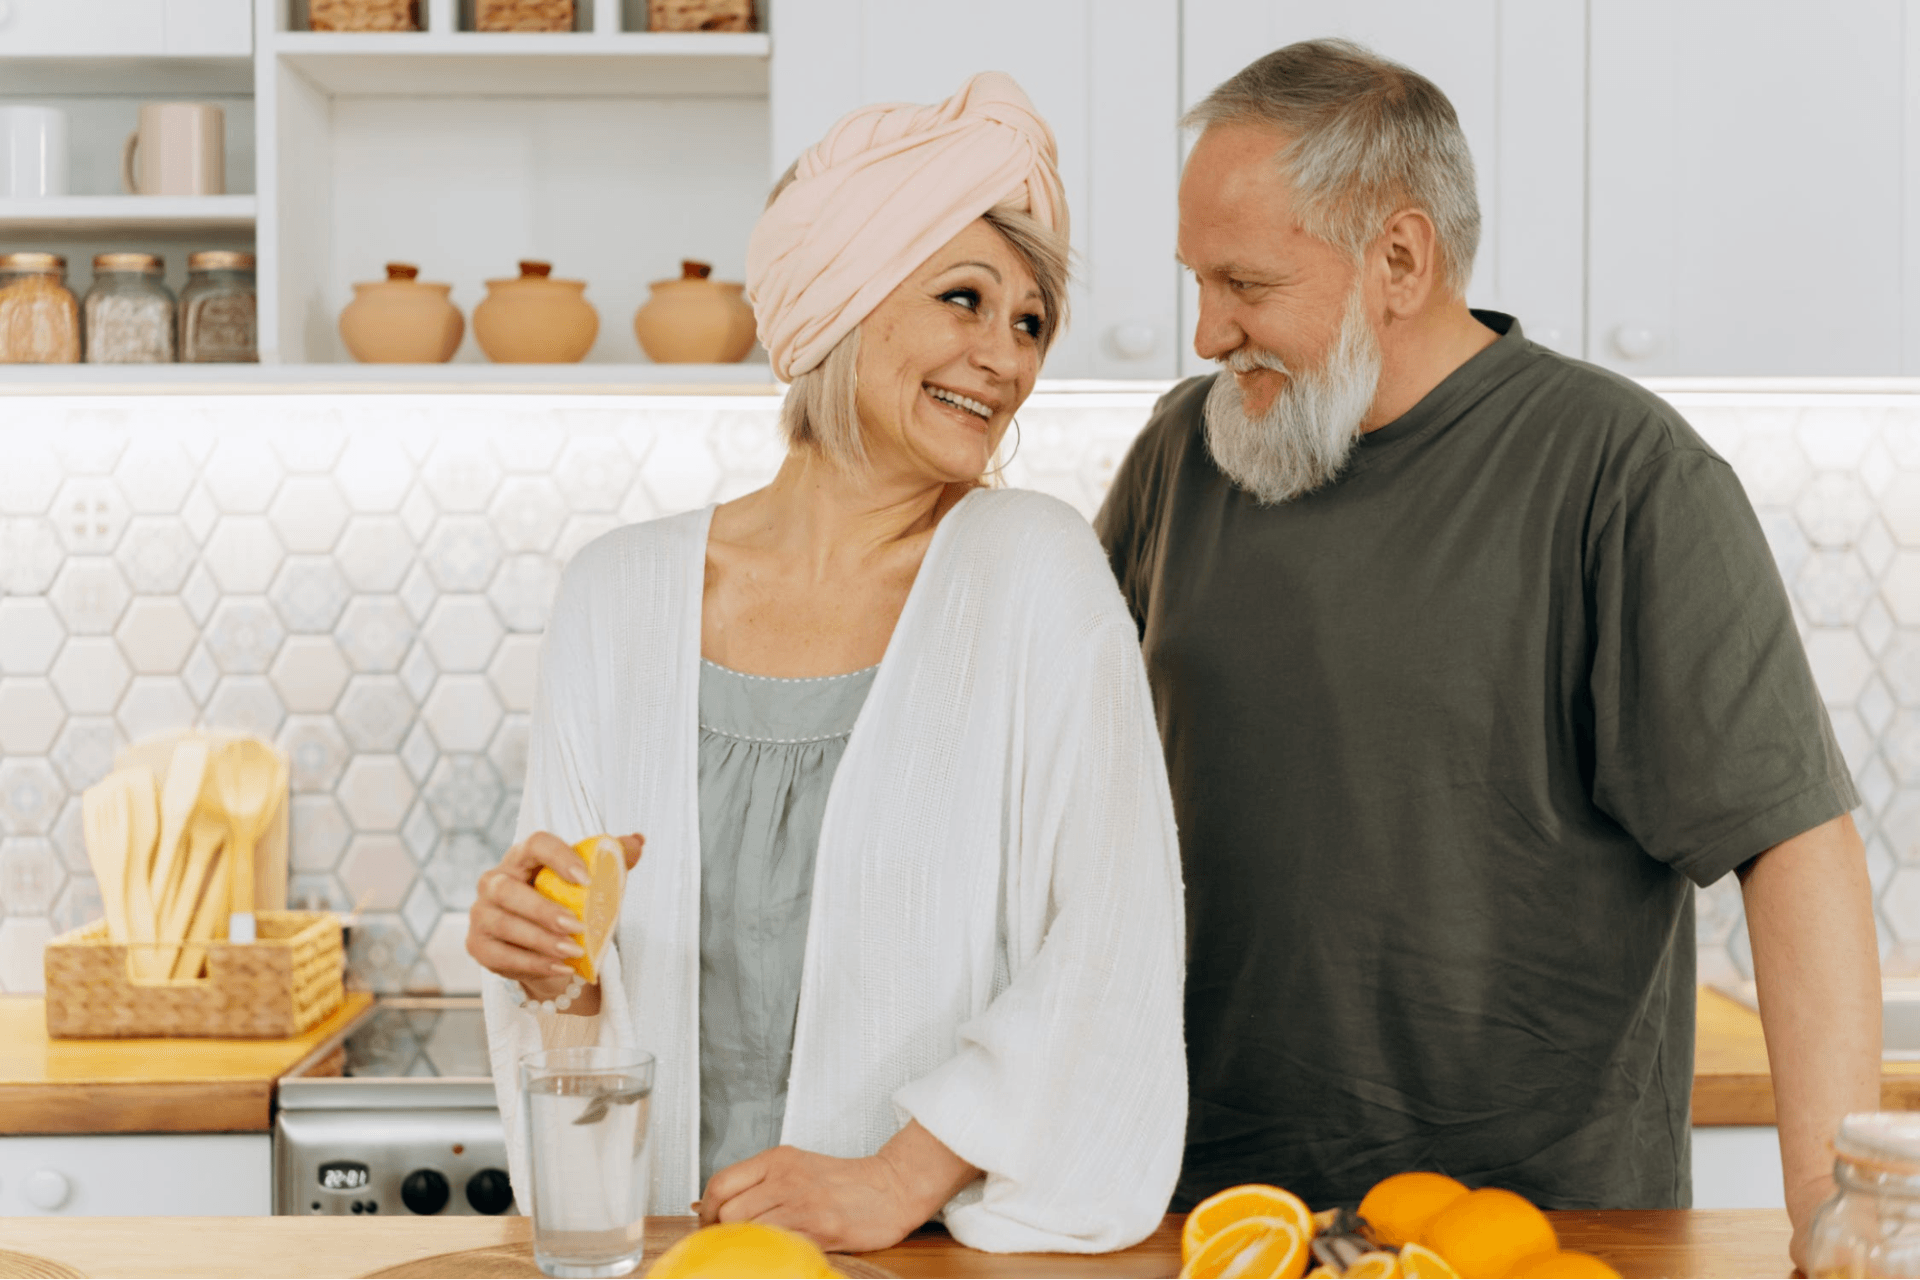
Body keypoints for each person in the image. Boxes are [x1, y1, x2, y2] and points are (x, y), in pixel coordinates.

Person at [1095, 38, 1879, 1269]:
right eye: (1195, 280)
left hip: (1535, 1234)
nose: (1204, 331)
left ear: (1399, 259)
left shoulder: (1622, 475)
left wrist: (1840, 1223)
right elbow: (1053, 787)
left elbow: (1793, 847)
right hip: (1208, 1218)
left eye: (1243, 283)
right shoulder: (1184, 456)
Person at [466, 71, 1186, 1255]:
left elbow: (1113, 933)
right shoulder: (618, 594)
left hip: (919, 1252)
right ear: (842, 301)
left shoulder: (1033, 572)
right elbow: (587, 1035)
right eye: (965, 298)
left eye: (1029, 322)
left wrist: (891, 1179)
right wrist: (546, 962)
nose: (1004, 358)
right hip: (671, 1248)